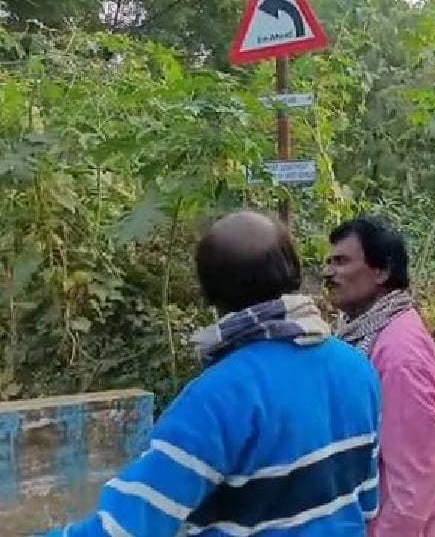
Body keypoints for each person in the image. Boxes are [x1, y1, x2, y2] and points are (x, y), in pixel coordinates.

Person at [44, 210, 382, 536]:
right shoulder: (357, 368)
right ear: (294, 274)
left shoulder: (216, 399)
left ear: (208, 292)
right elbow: (366, 504)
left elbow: (126, 528)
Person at [327, 215, 435, 537]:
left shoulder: (399, 353)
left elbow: (411, 484)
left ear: (381, 270)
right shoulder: (367, 336)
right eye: (329, 262)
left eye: (341, 262)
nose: (328, 273)